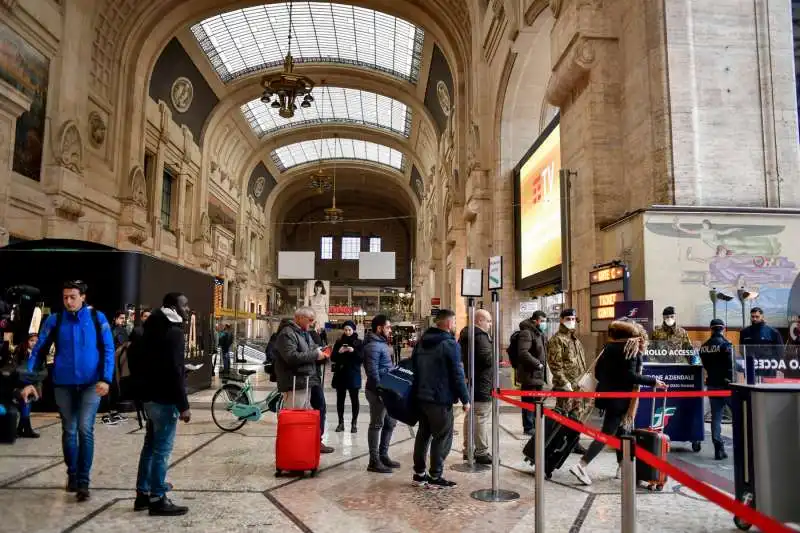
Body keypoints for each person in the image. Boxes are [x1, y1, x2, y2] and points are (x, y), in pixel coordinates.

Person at [27, 280, 115, 502]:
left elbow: (108, 349)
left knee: (85, 429)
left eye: (73, 297)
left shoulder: (97, 318)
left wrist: (106, 378)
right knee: (69, 430)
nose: (68, 301)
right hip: (63, 384)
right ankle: (72, 473)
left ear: (83, 297)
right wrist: (28, 378)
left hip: (91, 384)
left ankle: (84, 481)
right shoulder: (55, 320)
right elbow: (38, 350)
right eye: (65, 297)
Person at [569, 321, 667, 486]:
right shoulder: (632, 350)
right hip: (621, 400)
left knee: (623, 432)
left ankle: (623, 468)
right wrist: (654, 382)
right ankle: (582, 465)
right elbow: (631, 377)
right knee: (606, 434)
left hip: (608, 396)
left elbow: (599, 373)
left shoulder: (608, 348)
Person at [133, 293, 191, 516]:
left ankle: (143, 494)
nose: (187, 309)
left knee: (150, 446)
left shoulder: (150, 327)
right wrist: (183, 404)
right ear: (174, 307)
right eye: (184, 305)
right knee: (161, 450)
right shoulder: (174, 332)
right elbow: (174, 370)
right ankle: (158, 497)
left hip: (148, 396)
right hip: (165, 398)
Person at [411, 309, 470, 489]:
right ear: (448, 323)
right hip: (440, 399)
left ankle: (419, 474)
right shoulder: (449, 344)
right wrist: (465, 398)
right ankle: (435, 476)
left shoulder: (421, 342)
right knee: (442, 437)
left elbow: (413, 366)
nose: (455, 326)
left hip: (421, 397)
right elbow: (458, 374)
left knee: (423, 435)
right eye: (454, 322)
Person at [274, 307, 334, 454]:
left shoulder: (303, 333)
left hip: (309, 378)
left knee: (317, 409)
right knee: (296, 415)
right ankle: (294, 450)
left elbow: (312, 349)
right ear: (299, 318)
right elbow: (291, 356)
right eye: (310, 319)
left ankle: (312, 443)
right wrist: (315, 355)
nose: (312, 323)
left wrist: (322, 352)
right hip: (295, 381)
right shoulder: (287, 333)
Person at [547, 308, 588, 454]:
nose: (571, 322)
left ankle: (574, 443)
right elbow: (555, 364)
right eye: (568, 318)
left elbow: (579, 361)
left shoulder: (574, 339)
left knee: (577, 415)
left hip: (578, 384)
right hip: (566, 386)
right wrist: (564, 382)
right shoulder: (557, 340)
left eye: (573, 319)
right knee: (563, 415)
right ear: (562, 320)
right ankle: (556, 442)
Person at [363, 314, 400, 473]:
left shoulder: (381, 343)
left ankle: (383, 455)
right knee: (377, 424)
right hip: (378, 390)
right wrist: (380, 390)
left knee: (390, 422)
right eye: (388, 327)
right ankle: (374, 460)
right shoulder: (373, 346)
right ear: (379, 328)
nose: (390, 330)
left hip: (387, 388)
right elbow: (372, 371)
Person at [458, 309, 493, 464]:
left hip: (470, 381)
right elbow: (487, 359)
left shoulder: (465, 335)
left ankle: (468, 450)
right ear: (479, 321)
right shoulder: (480, 336)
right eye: (488, 321)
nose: (490, 324)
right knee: (481, 417)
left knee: (470, 416)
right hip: (482, 383)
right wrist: (497, 355)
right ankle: (481, 451)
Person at [699, 319, 737, 460]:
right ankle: (742, 444)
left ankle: (718, 447)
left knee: (716, 417)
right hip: (726, 386)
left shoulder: (704, 347)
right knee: (738, 415)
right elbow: (731, 366)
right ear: (723, 328)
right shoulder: (726, 345)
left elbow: (706, 365)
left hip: (712, 384)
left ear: (711, 329)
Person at [516, 310, 548, 436]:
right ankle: (529, 427)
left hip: (538, 374)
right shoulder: (527, 332)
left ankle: (535, 425)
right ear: (535, 321)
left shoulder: (539, 333)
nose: (545, 324)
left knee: (537, 401)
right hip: (530, 374)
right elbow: (523, 352)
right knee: (529, 400)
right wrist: (538, 364)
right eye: (543, 321)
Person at [331, 320, 362, 434]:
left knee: (354, 399)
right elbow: (332, 358)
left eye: (349, 329)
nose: (347, 332)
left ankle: (354, 423)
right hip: (341, 374)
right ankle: (341, 423)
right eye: (345, 330)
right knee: (340, 399)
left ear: (353, 330)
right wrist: (339, 351)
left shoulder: (359, 342)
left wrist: (353, 350)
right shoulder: (339, 342)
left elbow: (361, 358)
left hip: (353, 374)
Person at [740, 307, 783, 383]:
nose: (755, 319)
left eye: (757, 316)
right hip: (751, 366)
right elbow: (741, 349)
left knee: (768, 390)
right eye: (753, 317)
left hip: (768, 367)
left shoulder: (773, 332)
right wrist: (749, 360)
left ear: (762, 317)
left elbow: (780, 350)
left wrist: (774, 364)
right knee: (750, 389)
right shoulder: (745, 332)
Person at [12, 333, 40, 438]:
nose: (34, 343)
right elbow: (16, 371)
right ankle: (25, 429)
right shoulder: (20, 353)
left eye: (36, 341)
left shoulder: (38, 355)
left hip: (33, 384)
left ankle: (20, 429)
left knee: (26, 403)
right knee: (25, 401)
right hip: (19, 384)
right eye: (31, 340)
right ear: (27, 342)